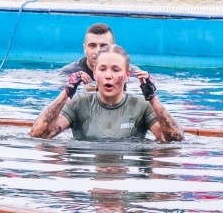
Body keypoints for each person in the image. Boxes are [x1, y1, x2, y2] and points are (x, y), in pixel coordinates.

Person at [30, 44, 185, 142]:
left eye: (116, 70)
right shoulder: (79, 102)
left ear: (126, 75)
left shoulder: (141, 106)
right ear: (94, 73)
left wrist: (153, 99)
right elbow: (40, 135)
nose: (108, 75)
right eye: (102, 69)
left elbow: (173, 140)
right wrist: (66, 93)